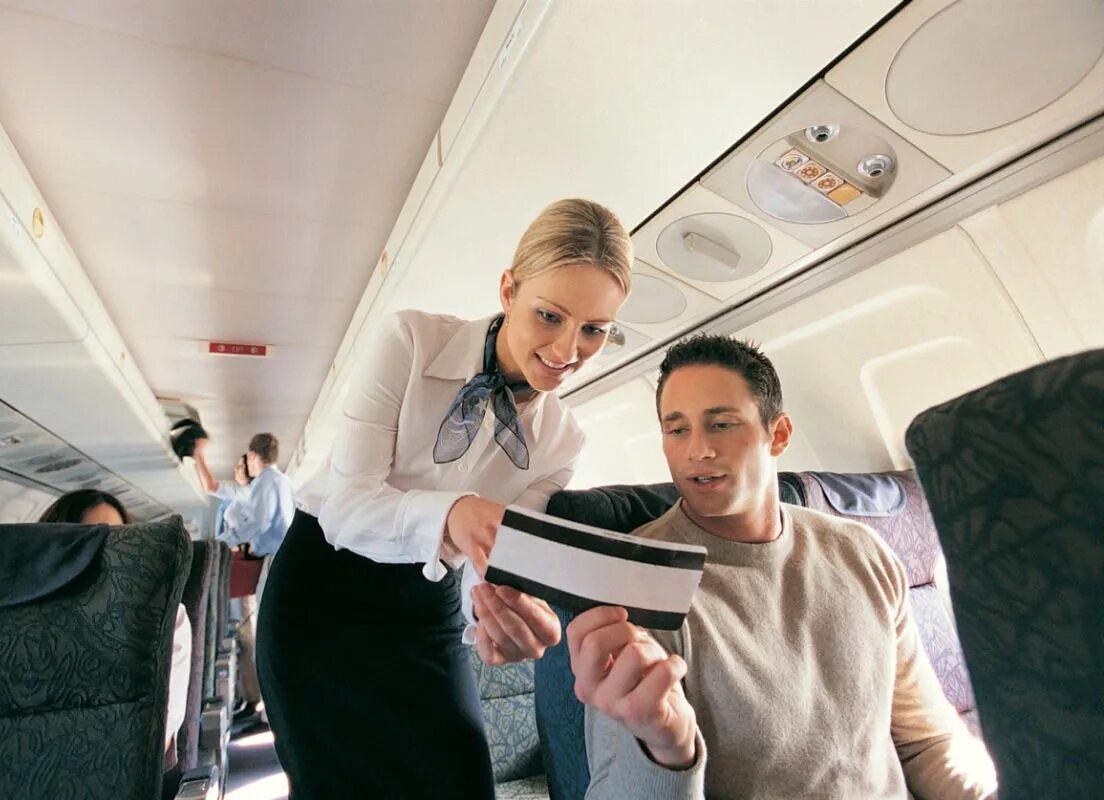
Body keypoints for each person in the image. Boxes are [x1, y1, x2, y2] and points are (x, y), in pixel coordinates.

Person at [259, 198, 633, 799]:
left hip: (425, 616)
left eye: (594, 330)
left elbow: (490, 561)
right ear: (508, 291)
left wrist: (495, 608)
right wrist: (455, 512)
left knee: (461, 783)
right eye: (549, 315)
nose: (568, 349)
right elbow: (347, 507)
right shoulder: (409, 341)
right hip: (322, 599)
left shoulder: (562, 440)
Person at [562, 335, 999, 799]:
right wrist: (667, 755)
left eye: (722, 424)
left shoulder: (863, 554)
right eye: (677, 430)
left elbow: (926, 741)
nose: (698, 450)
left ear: (780, 433)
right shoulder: (642, 580)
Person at [39, 490, 192, 759]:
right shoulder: (21, 622)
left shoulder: (164, 619)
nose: (106, 554)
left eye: (116, 540)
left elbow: (157, 739)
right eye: (89, 541)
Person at [192, 433, 294, 723]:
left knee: (264, 631)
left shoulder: (267, 482)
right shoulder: (278, 482)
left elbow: (259, 521)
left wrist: (221, 543)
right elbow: (217, 490)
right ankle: (270, 706)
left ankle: (270, 709)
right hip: (273, 559)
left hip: (273, 559)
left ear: (252, 456)